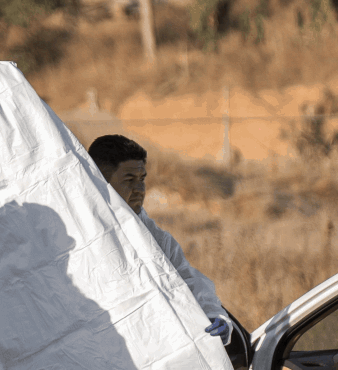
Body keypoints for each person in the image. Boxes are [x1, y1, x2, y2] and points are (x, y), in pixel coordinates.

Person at [87, 134, 231, 344]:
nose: (140, 190)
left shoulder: (156, 238)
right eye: (129, 180)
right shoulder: (81, 234)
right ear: (101, 181)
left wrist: (215, 316)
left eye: (142, 179)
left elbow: (189, 282)